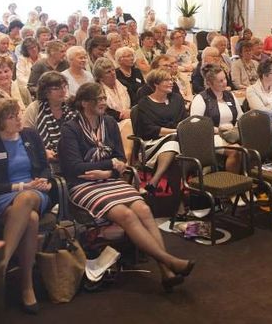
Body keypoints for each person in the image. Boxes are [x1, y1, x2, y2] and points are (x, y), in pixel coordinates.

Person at [60, 83, 194, 291]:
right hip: (82, 184)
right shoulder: (71, 129)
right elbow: (74, 167)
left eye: (104, 98)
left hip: (108, 179)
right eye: (98, 99)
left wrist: (109, 171)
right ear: (85, 103)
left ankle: (166, 271)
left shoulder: (110, 123)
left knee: (143, 209)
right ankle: (169, 262)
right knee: (127, 215)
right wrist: (109, 164)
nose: (103, 102)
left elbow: (121, 158)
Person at [0, 99, 54, 313]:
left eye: (19, 113)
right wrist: (20, 186)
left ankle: (1, 264)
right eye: (12, 116)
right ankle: (26, 286)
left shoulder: (30, 135)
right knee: (31, 220)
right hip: (3, 196)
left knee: (27, 199)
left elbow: (45, 168)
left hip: (36, 193)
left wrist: (44, 180)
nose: (19, 118)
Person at [131, 68, 185, 189]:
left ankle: (155, 181)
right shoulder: (144, 103)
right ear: (155, 84)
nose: (171, 82)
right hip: (151, 143)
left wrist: (177, 132)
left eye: (171, 79)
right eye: (166, 80)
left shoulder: (177, 99)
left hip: (177, 139)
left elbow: (183, 121)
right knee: (173, 142)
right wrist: (176, 131)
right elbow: (150, 130)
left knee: (174, 144)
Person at [188, 64, 243, 172]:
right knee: (236, 151)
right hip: (211, 136)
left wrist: (235, 128)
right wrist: (219, 130)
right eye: (220, 81)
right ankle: (232, 183)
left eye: (225, 79)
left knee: (252, 145)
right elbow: (196, 125)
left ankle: (250, 180)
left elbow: (241, 116)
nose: (225, 83)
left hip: (232, 133)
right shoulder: (201, 98)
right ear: (209, 83)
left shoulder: (230, 95)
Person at [22, 71, 75, 164]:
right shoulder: (34, 108)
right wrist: (42, 152)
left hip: (73, 158)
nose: (62, 91)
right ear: (45, 92)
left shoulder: (71, 107)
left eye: (64, 87)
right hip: (43, 160)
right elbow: (26, 138)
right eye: (57, 88)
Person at [94, 57, 132, 121]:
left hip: (130, 116)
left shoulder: (124, 83)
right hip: (112, 121)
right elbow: (103, 111)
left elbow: (134, 100)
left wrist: (131, 112)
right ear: (100, 77)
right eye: (108, 72)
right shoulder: (97, 91)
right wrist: (121, 115)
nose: (113, 73)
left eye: (113, 70)